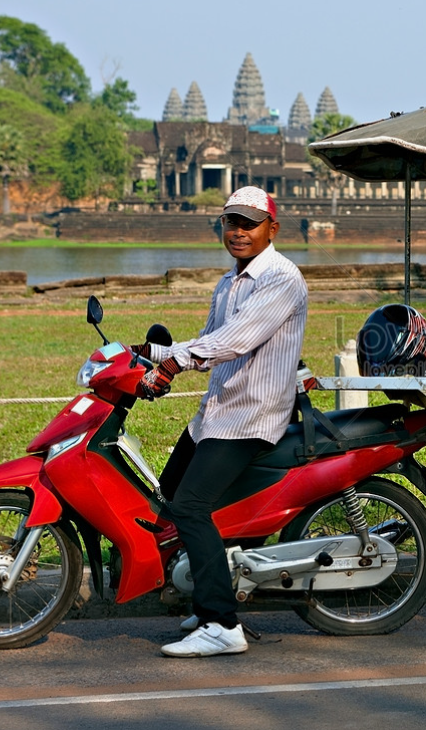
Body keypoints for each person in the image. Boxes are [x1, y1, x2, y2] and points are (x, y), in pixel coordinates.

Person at [133, 186, 308, 658]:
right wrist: (151, 354)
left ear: (272, 228)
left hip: (251, 414)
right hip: (217, 412)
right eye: (231, 222)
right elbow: (210, 341)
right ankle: (209, 590)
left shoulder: (281, 278)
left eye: (249, 223)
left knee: (190, 506)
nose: (238, 231)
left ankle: (221, 623)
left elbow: (236, 340)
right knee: (168, 501)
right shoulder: (230, 281)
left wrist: (173, 364)